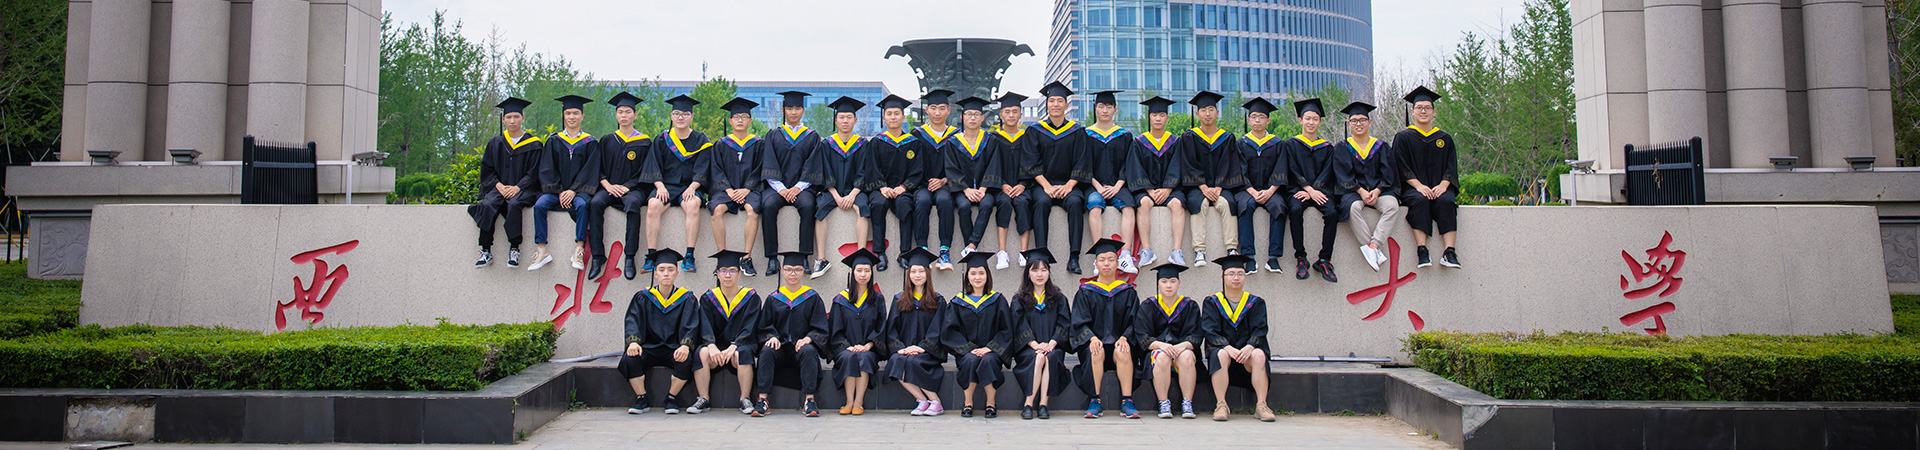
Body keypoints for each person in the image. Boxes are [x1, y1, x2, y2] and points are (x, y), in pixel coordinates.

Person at [621, 249, 705, 415]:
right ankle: (641, 398)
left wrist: (685, 345)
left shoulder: (687, 298)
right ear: (655, 273)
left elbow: (691, 325)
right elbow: (632, 320)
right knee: (631, 357)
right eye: (662, 269)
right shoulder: (643, 297)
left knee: (686, 359)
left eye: (670, 269)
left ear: (677, 273)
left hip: (674, 348)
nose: (666, 273)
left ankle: (671, 398)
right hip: (648, 347)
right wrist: (633, 342)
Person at [803, 96, 874, 279]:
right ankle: (821, 259)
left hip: (855, 190)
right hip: (832, 190)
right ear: (836, 120)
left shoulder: (863, 145)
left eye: (849, 117)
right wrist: (835, 195)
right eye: (841, 117)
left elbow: (864, 172)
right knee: (820, 209)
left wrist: (852, 194)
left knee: (863, 208)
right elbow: (825, 171)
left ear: (855, 120)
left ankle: (861, 256)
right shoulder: (827, 144)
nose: (845, 121)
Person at [1070, 238, 1141, 419]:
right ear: (1096, 264)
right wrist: (1092, 338)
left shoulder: (1127, 292)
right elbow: (1078, 322)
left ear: (1117, 263)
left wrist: (1124, 337)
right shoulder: (1086, 291)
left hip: (1119, 345)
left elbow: (1135, 322)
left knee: (1124, 350)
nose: (1106, 263)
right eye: (1102, 260)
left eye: (1111, 259)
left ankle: (1127, 401)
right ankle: (1095, 400)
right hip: (1094, 346)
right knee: (1096, 350)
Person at [752, 251, 829, 417]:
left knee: (809, 351)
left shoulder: (812, 297)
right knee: (766, 351)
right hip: (779, 348)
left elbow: (821, 326)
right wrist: (771, 337)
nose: (793, 274)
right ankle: (762, 400)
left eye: (797, 270)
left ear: (803, 271)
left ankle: (809, 400)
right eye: (788, 270)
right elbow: (764, 326)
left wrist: (809, 338)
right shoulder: (774, 298)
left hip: (800, 349)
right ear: (782, 271)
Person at [640, 95, 712, 273]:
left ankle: (689, 255)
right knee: (653, 205)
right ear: (671, 116)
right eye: (677, 113)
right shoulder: (662, 139)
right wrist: (659, 186)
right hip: (665, 186)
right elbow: (653, 165)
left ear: (691, 117)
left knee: (693, 205)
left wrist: (693, 187)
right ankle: (651, 256)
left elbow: (703, 168)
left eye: (685, 114)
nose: (681, 117)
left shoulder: (701, 140)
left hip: (690, 186)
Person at [1200, 254, 1275, 422]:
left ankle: (1261, 405)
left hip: (1247, 355)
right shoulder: (1212, 302)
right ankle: (1221, 405)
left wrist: (1249, 347)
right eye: (1231, 274)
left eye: (1240, 274)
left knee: (1259, 355)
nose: (1236, 278)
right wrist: (1227, 347)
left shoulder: (1255, 302)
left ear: (1245, 277)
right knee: (1220, 354)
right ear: (1222, 277)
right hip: (1225, 354)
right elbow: (1209, 331)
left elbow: (1260, 330)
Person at [1394, 86, 1462, 269]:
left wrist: (1444, 185)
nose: (1423, 111)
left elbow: (1451, 166)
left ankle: (1449, 252)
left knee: (1447, 201)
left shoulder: (1444, 139)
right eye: (1419, 108)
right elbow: (1400, 166)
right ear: (1413, 112)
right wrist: (1418, 186)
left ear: (1434, 112)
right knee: (1420, 200)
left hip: (1440, 187)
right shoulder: (1403, 137)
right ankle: (1422, 250)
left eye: (1427, 108)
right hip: (1413, 188)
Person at [470, 97, 543, 269]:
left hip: (523, 189)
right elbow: (487, 170)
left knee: (514, 204)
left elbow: (534, 172)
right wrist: (499, 186)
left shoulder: (534, 144)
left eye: (516, 117)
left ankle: (514, 248)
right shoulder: (495, 143)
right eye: (508, 117)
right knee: (488, 204)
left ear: (523, 118)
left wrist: (518, 187)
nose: (512, 121)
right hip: (499, 187)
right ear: (503, 119)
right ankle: (485, 250)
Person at [530, 95, 599, 272]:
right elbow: (547, 168)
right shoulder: (554, 141)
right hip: (556, 191)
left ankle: (579, 248)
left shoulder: (590, 142)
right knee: (540, 205)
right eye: (568, 113)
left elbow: (590, 170)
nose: (572, 117)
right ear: (563, 116)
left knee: (582, 205)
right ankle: (541, 249)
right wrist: (560, 190)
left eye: (575, 113)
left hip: (579, 191)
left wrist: (573, 190)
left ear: (582, 116)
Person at [1028, 81, 1092, 273]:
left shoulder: (1077, 132)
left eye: (1059, 101)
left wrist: (1069, 185)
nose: (1055, 104)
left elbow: (1082, 161)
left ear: (1066, 105)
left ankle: (1074, 257)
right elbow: (1031, 161)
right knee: (1041, 203)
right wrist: (1046, 186)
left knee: (1075, 203)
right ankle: (1041, 256)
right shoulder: (1035, 131)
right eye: (1052, 101)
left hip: (1069, 185)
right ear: (1047, 104)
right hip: (1043, 185)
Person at [588, 92, 651, 280]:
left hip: (633, 189)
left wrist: (628, 186)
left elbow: (645, 170)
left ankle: (629, 256)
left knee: (633, 205)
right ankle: (597, 256)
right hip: (609, 187)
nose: (624, 115)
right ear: (616, 115)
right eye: (620, 112)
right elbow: (597, 167)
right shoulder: (606, 140)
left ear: (635, 115)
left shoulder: (644, 142)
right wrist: (607, 185)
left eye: (628, 112)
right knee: (595, 203)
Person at [1332, 102, 1400, 272]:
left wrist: (1377, 190)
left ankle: (1374, 245)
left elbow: (1389, 173)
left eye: (1362, 120)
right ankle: (1370, 248)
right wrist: (1361, 191)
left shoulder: (1381, 146)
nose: (1358, 124)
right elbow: (1342, 174)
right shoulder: (1342, 147)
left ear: (1369, 122)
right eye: (1354, 121)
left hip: (1379, 190)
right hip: (1353, 191)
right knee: (1353, 207)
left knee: (1392, 206)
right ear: (1349, 124)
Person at [944, 250, 1012, 418]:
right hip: (967, 351)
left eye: (981, 273)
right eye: (973, 273)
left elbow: (1006, 329)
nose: (977, 277)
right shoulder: (958, 302)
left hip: (992, 351)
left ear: (987, 275)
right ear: (967, 277)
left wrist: (990, 348)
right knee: (970, 360)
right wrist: (969, 349)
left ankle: (991, 403)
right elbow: (950, 331)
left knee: (988, 360)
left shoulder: (998, 300)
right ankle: (968, 403)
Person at [760, 91, 821, 276]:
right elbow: (769, 163)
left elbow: (813, 165)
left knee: (809, 205)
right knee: (768, 206)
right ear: (783, 110)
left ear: (803, 111)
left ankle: (804, 257)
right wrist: (781, 189)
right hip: (777, 187)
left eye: (797, 108)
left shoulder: (812, 136)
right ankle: (772, 258)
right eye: (789, 108)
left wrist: (797, 188)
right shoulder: (773, 135)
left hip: (802, 187)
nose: (793, 112)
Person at [941, 96, 1005, 271]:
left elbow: (994, 165)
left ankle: (971, 245)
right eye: (969, 114)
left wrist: (983, 188)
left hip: (986, 189)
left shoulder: (990, 140)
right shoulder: (953, 142)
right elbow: (951, 168)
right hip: (963, 189)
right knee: (963, 207)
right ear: (962, 117)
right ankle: (970, 247)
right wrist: (966, 189)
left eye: (976, 114)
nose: (972, 118)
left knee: (987, 204)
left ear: (982, 118)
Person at [1081, 90, 1141, 274]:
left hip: (1117, 185)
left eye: (1109, 107)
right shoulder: (1086, 134)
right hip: (1094, 185)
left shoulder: (1124, 135)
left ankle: (1125, 256)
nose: (1105, 110)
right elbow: (1083, 164)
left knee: (1129, 207)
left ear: (1115, 110)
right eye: (1101, 106)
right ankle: (1099, 256)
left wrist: (1117, 186)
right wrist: (1098, 186)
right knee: (1094, 206)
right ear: (1095, 109)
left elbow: (1128, 164)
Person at [1176, 91, 1239, 268]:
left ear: (1217, 113)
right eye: (1203, 110)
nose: (1207, 114)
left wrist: (1218, 186)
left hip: (1221, 186)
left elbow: (1228, 164)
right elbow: (1189, 164)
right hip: (1197, 186)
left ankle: (1232, 248)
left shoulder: (1227, 138)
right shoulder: (1189, 137)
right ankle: (1199, 250)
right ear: (1197, 114)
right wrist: (1203, 187)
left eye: (1211, 109)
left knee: (1227, 204)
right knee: (1199, 204)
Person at [695, 250, 762, 415]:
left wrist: (734, 346)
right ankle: (703, 398)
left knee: (743, 353)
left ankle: (745, 398)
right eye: (723, 271)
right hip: (716, 349)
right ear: (717, 274)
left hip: (740, 346)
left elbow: (750, 327)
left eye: (732, 271)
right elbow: (705, 325)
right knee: (702, 353)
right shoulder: (708, 298)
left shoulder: (751, 298)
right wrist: (711, 345)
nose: (727, 275)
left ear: (739, 274)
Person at [1283, 98, 1342, 282]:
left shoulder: (1327, 147)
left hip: (1321, 190)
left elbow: (1328, 172)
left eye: (1315, 119)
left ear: (1320, 122)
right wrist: (1309, 190)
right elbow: (1291, 169)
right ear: (1300, 120)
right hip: (1298, 190)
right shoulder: (1290, 145)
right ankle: (1301, 257)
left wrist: (1314, 191)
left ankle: (1324, 259)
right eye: (1307, 118)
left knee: (1332, 212)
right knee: (1295, 209)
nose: (1311, 122)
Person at [1009, 248, 1071, 420]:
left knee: (1048, 357)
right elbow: (1018, 325)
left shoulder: (1058, 298)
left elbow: (1064, 324)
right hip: (1027, 349)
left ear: (1049, 272)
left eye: (1044, 270)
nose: (1039, 274)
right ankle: (1029, 403)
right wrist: (1034, 344)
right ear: (1028, 274)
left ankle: (1042, 404)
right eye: (1035, 270)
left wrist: (1051, 343)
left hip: (1053, 348)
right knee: (1039, 357)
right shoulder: (1019, 299)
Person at [884, 248, 947, 416]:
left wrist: (921, 347)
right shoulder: (899, 299)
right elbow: (892, 328)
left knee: (913, 362)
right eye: (913, 271)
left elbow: (938, 329)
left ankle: (936, 401)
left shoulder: (938, 300)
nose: (917, 275)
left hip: (928, 352)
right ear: (908, 274)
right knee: (896, 360)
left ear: (928, 273)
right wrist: (900, 348)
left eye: (921, 271)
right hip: (905, 350)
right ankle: (922, 400)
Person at [1231, 98, 1290, 274]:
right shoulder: (1241, 143)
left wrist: (1271, 190)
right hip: (1246, 189)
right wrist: (1252, 191)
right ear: (1248, 120)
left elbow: (1281, 168)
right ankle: (1248, 257)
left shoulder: (1277, 143)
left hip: (1271, 189)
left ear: (1268, 121)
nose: (1257, 120)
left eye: (1262, 117)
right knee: (1245, 206)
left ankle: (1273, 258)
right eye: (1254, 117)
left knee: (1279, 206)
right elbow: (1238, 171)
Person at [1136, 263, 1202, 419]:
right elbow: (1142, 336)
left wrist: (1182, 346)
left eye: (1173, 281)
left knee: (1186, 356)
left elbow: (1196, 335)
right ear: (1158, 284)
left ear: (1179, 283)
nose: (1168, 285)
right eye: (1164, 281)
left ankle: (1187, 403)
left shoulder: (1189, 306)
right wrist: (1163, 346)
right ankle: (1163, 402)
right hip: (1157, 351)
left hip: (1182, 350)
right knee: (1162, 356)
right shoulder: (1148, 305)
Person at [707, 98, 765, 275]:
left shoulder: (758, 144)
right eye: (737, 117)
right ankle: (722, 257)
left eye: (744, 117)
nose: (740, 120)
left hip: (751, 189)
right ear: (730, 121)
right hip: (726, 190)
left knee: (752, 211)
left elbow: (760, 168)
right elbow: (716, 170)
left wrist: (747, 188)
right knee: (716, 210)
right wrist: (728, 190)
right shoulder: (721, 144)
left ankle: (746, 258)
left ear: (750, 121)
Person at [828, 249, 888, 415]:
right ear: (853, 272)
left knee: (864, 358)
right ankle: (848, 402)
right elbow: (835, 328)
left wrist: (868, 345)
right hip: (845, 348)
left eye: (867, 270)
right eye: (859, 270)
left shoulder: (877, 299)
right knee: (850, 357)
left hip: (869, 349)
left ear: (871, 273)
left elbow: (881, 327)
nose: (863, 274)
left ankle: (858, 402)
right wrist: (847, 346)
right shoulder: (841, 300)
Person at [866, 94, 921, 272]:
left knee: (906, 204)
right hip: (880, 188)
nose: (893, 117)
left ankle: (904, 252)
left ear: (903, 117)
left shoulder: (913, 143)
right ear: (884, 118)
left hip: (903, 189)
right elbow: (872, 168)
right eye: (889, 114)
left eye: (897, 114)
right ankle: (880, 253)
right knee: (877, 205)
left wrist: (903, 187)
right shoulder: (876, 142)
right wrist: (882, 187)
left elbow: (917, 170)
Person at [1130, 97, 1184, 269]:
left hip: (1170, 189)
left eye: (1161, 115)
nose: (1158, 119)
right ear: (1149, 117)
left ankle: (1177, 251)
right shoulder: (1139, 142)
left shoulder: (1175, 142)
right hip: (1147, 189)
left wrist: (1167, 189)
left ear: (1167, 118)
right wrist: (1149, 190)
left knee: (1178, 204)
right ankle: (1147, 250)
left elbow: (1177, 166)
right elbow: (1136, 168)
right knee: (1143, 203)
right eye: (1154, 115)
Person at [909, 90, 958, 268]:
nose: (938, 113)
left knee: (945, 201)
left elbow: (960, 166)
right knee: (922, 201)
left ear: (949, 111)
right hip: (922, 184)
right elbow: (912, 165)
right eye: (934, 108)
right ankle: (922, 249)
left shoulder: (956, 136)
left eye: (942, 108)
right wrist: (925, 182)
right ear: (927, 110)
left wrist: (944, 180)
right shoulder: (917, 135)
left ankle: (944, 251)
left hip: (946, 184)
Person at [988, 92, 1036, 270]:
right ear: (1001, 115)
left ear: (1020, 114)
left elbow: (1032, 162)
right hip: (1001, 186)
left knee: (1023, 203)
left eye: (1015, 111)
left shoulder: (1027, 136)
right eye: (1007, 112)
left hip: (1023, 185)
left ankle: (1024, 251)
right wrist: (1002, 184)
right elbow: (990, 164)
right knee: (1004, 202)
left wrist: (1023, 184)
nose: (1011, 115)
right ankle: (1002, 251)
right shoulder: (994, 138)